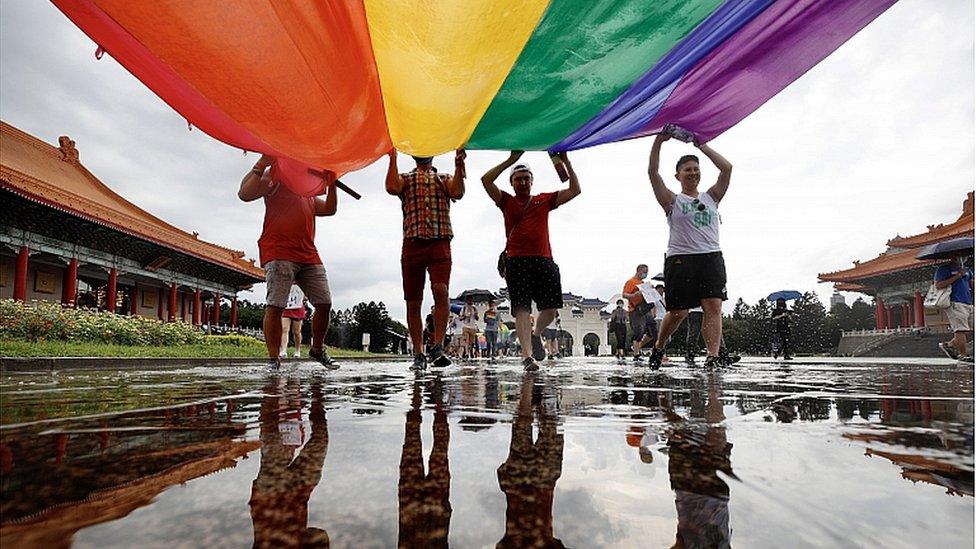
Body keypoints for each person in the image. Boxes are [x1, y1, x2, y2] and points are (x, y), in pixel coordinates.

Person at [238, 154, 339, 369]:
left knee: (324, 302)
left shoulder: (309, 194)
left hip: (308, 253)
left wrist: (333, 185)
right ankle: (274, 359)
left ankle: (317, 349)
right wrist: (262, 163)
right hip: (279, 250)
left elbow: (330, 209)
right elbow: (244, 194)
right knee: (275, 305)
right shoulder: (274, 180)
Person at [483, 152, 581, 371]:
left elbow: (575, 190)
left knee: (551, 309)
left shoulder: (543, 200)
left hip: (544, 259)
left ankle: (536, 333)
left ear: (532, 181)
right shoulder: (506, 201)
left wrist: (566, 161)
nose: (523, 182)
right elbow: (486, 180)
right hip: (517, 262)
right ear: (511, 183)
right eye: (518, 178)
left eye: (527, 178)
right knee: (521, 309)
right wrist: (510, 160)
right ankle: (527, 357)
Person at [645, 131, 733, 369]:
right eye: (687, 170)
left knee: (713, 306)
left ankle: (713, 356)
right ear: (678, 175)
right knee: (678, 312)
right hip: (681, 259)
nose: (693, 173)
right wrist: (658, 142)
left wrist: (702, 145)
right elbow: (653, 173)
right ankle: (659, 346)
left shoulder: (712, 196)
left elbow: (727, 168)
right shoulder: (672, 201)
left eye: (696, 169)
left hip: (711, 257)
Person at [387, 149, 466, 370]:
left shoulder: (444, 178)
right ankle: (419, 354)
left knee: (441, 290)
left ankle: (437, 346)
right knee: (413, 301)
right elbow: (392, 187)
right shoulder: (406, 178)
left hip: (440, 241)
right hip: (413, 242)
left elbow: (458, 192)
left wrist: (460, 166)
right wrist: (392, 157)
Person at [935, 255, 974, 361]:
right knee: (960, 330)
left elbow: (971, 284)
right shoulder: (944, 269)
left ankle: (949, 345)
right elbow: (938, 285)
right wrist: (957, 276)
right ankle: (963, 355)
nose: (962, 257)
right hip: (955, 302)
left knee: (970, 328)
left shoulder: (967, 269)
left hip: (968, 302)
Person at [279, 285, 306, 358]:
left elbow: (307, 294)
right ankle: (283, 350)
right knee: (284, 329)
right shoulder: (284, 280)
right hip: (285, 307)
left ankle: (297, 350)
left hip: (298, 308)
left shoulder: (302, 280)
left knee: (297, 332)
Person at [459, 297, 479, 361]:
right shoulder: (464, 308)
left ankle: (469, 351)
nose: (470, 301)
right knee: (466, 340)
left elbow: (477, 318)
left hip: (472, 327)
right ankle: (467, 353)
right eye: (468, 300)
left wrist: (475, 314)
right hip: (465, 326)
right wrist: (465, 316)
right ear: (466, 301)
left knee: (471, 342)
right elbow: (460, 318)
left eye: (471, 300)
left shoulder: (474, 308)